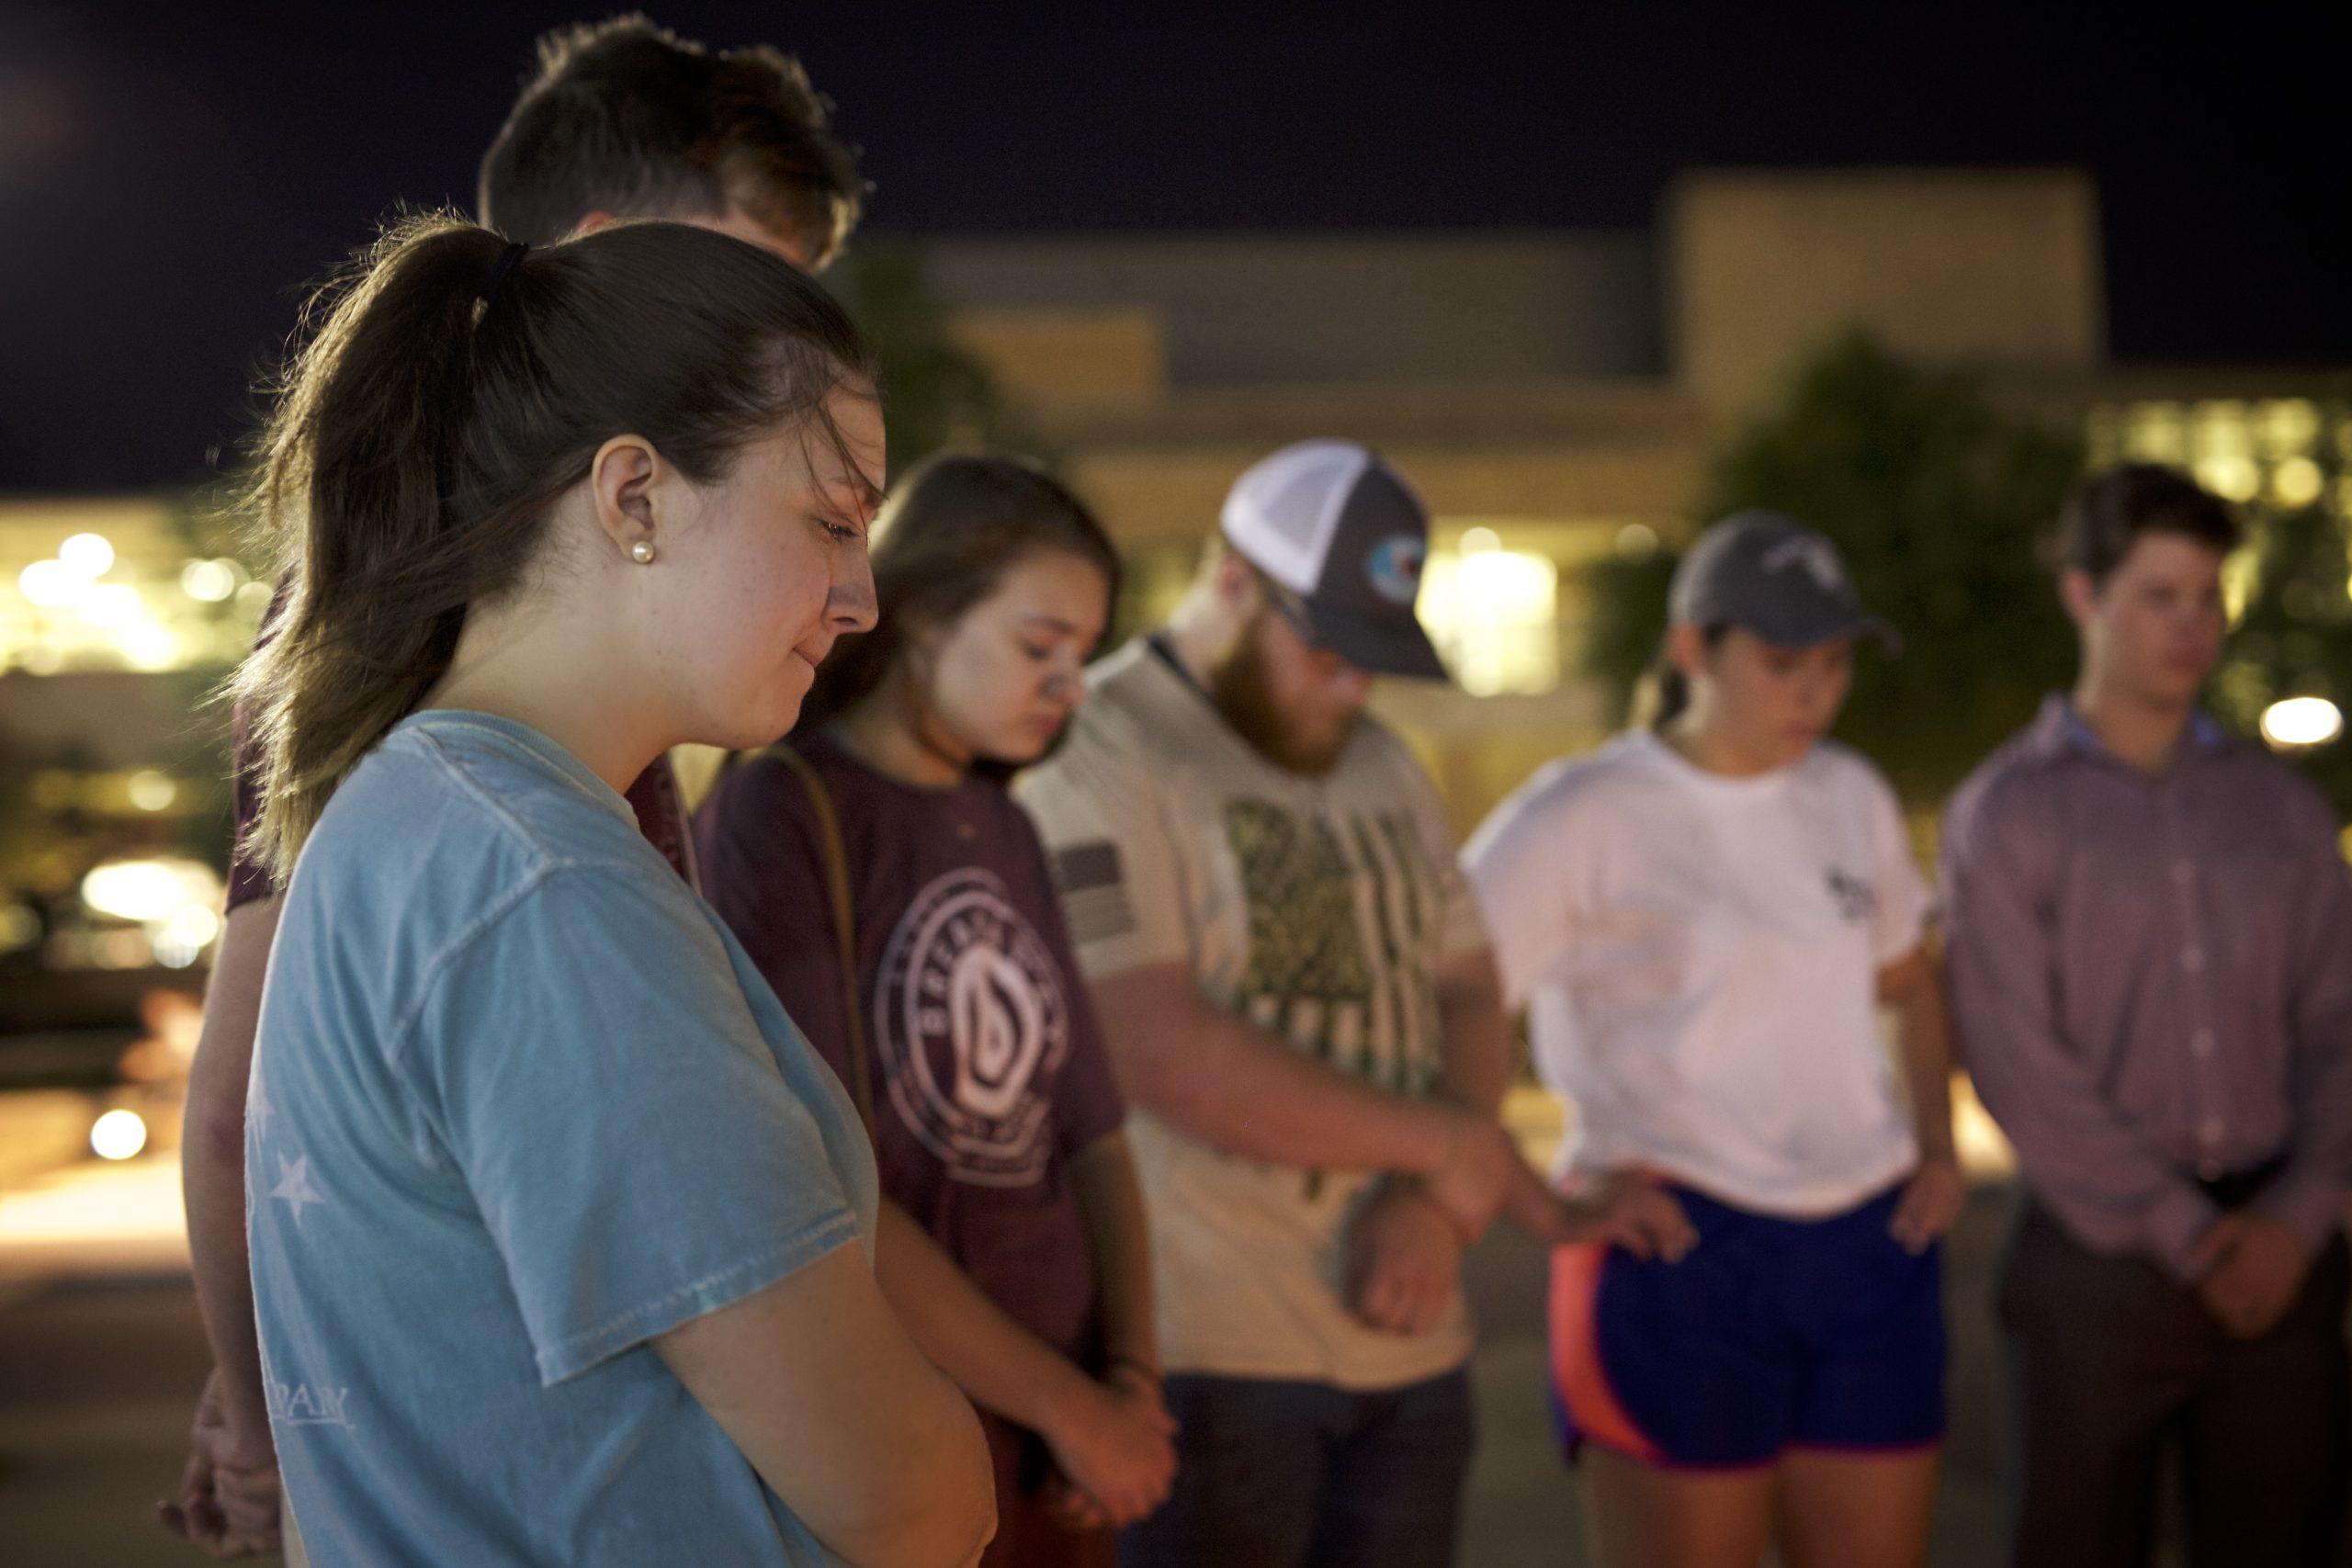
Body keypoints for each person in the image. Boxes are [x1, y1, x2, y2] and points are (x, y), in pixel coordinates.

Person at [167, 17, 865, 1555]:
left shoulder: (583, 634)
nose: (784, 326)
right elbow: (253, 1083)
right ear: (610, 258)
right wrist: (270, 1413)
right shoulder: (408, 613)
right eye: (749, 275)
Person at [229, 212, 993, 1565]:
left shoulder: (407, 812)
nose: (862, 594)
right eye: (830, 517)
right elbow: (905, 1497)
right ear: (632, 493)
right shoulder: (541, 885)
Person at [1020, 440, 1679, 1568]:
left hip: (1412, 1353)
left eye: (1372, 655)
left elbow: (1467, 985)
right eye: (1326, 646)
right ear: (1230, 580)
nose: (1352, 684)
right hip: (1208, 1359)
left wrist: (1434, 1204)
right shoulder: (1102, 742)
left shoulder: (1378, 758)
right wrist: (1460, 1150)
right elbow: (1154, 1046)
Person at [696, 452, 1175, 1565]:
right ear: (919, 619)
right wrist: (1074, 1406)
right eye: (1038, 646)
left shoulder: (1006, 823)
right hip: (909, 1419)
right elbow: (826, 1180)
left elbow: (1095, 1135)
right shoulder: (785, 809)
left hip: (1071, 1440)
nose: (1070, 687)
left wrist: (1131, 1385)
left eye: (1086, 657)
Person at [1463, 510, 1964, 1568]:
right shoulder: (1581, 813)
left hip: (1865, 1246)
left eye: (1834, 663)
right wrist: (1535, 1200)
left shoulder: (1848, 793)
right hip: (1676, 1250)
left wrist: (1936, 1141)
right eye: (1783, 661)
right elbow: (1436, 1006)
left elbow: (1909, 981)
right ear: (1691, 646)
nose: (1814, 693)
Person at [1942, 463, 2352, 1568]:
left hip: (2286, 1254)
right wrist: (2188, 1234)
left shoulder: (2280, 811)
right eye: (2159, 596)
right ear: (2083, 595)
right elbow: (2016, 1060)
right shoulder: (2006, 813)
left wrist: (2301, 1214)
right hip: (2095, 1266)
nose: (2190, 627)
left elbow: (2338, 1025)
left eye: (2208, 598)